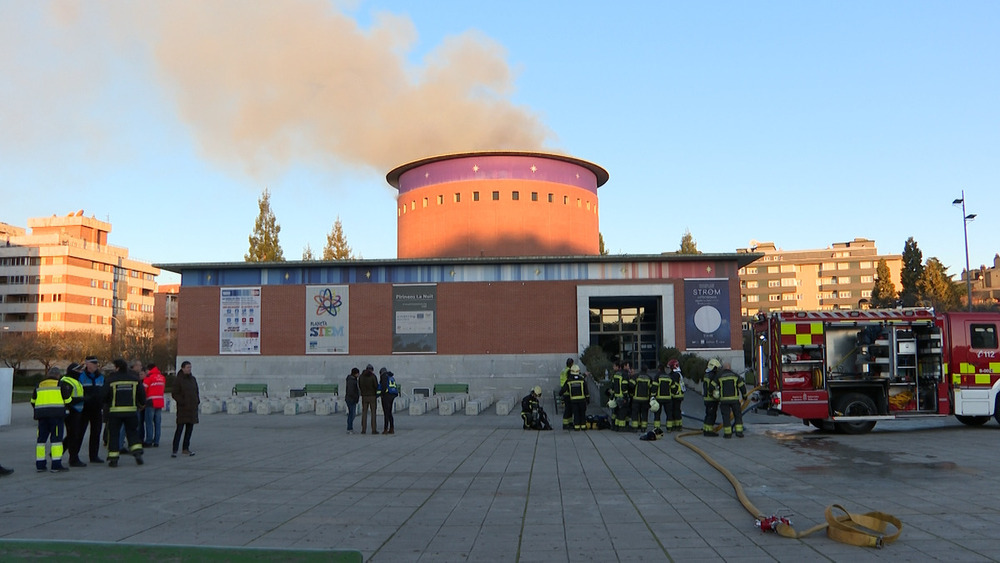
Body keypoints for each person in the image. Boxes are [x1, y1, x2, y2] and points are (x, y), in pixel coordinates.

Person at [103, 359, 145, 467]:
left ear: (117, 367)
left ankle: (113, 459)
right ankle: (137, 453)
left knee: (114, 435)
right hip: (131, 411)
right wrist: (141, 404)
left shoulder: (111, 380)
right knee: (132, 432)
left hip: (115, 412)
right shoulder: (135, 379)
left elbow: (104, 395)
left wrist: (107, 404)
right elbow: (141, 395)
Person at [31, 367, 72, 472]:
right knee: (56, 441)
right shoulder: (60, 385)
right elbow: (68, 400)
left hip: (42, 416)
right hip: (56, 416)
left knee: (41, 440)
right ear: (58, 375)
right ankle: (56, 464)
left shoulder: (39, 385)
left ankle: (40, 464)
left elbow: (33, 401)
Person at [75, 356, 105, 464]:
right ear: (87, 364)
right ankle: (74, 456)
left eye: (96, 364)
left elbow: (104, 391)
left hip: (97, 409)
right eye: (93, 364)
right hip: (84, 409)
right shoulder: (81, 377)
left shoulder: (101, 377)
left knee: (96, 433)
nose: (96, 366)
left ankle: (94, 456)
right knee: (79, 433)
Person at [171, 361, 201, 457]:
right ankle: (174, 449)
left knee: (189, 430)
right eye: (187, 367)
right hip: (183, 409)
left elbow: (196, 391)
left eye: (190, 367)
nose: (189, 369)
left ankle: (185, 448)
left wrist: (197, 401)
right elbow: (175, 393)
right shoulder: (178, 380)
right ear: (183, 368)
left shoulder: (193, 379)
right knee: (179, 429)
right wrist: (182, 401)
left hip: (192, 408)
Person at [60, 363, 87, 467]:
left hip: (77, 411)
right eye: (79, 370)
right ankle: (73, 459)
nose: (81, 372)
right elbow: (66, 399)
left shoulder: (75, 380)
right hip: (70, 412)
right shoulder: (66, 381)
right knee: (74, 435)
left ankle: (59, 453)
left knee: (73, 435)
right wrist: (82, 399)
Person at [718, 362, 748, 439]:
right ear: (730, 368)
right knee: (737, 415)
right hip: (734, 400)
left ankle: (727, 434)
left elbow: (712, 386)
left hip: (724, 401)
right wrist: (745, 397)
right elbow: (742, 387)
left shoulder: (719, 376)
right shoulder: (735, 375)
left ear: (723, 368)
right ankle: (739, 432)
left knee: (726, 416)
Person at [142, 363, 166, 447]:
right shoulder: (162, 377)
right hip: (160, 401)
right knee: (157, 423)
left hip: (150, 402)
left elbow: (143, 391)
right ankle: (156, 441)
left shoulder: (148, 378)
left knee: (149, 422)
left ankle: (149, 441)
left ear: (148, 369)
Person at [561, 365, 589, 431]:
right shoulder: (582, 380)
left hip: (573, 401)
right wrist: (587, 398)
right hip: (582, 400)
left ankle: (576, 427)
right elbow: (586, 390)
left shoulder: (569, 381)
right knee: (582, 413)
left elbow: (564, 389)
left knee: (576, 413)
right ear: (578, 371)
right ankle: (583, 426)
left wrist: (560, 394)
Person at [629, 363, 653, 432]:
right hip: (645, 399)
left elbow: (631, 385)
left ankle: (635, 428)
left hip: (636, 399)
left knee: (635, 413)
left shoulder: (636, 376)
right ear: (646, 370)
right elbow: (652, 388)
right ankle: (643, 428)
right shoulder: (649, 378)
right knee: (644, 413)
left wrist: (632, 393)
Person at [664, 359, 686, 432]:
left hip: (676, 395)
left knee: (675, 411)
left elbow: (674, 386)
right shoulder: (678, 374)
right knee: (676, 411)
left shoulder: (675, 375)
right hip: (679, 395)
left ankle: (677, 426)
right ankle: (677, 425)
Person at [702, 359, 722, 437]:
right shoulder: (712, 375)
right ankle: (708, 431)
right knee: (711, 415)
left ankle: (706, 429)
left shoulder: (707, 374)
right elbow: (711, 387)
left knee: (708, 414)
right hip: (711, 399)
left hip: (707, 399)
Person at [358, 364, 380, 435]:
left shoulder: (361, 377)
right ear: (372, 370)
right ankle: (373, 429)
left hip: (364, 396)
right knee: (373, 413)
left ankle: (363, 429)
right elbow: (376, 386)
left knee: (364, 413)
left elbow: (359, 385)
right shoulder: (373, 376)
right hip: (372, 396)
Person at [651, 363, 671, 432]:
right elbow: (673, 387)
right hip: (668, 398)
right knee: (668, 413)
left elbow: (654, 387)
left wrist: (652, 395)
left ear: (659, 369)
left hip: (659, 398)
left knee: (657, 414)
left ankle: (657, 428)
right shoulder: (668, 376)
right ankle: (669, 428)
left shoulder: (657, 376)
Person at [379, 367, 399, 434]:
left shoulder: (384, 377)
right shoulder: (390, 376)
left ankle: (385, 429)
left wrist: (381, 394)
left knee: (386, 413)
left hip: (386, 396)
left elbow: (384, 386)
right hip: (392, 395)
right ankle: (392, 428)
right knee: (390, 412)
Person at [558, 358, 575, 430]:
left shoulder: (563, 370)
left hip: (564, 390)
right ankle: (565, 424)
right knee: (568, 409)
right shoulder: (569, 371)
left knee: (569, 408)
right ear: (571, 364)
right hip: (567, 391)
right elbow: (571, 379)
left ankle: (570, 423)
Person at [344, 368, 360, 434]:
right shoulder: (351, 380)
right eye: (358, 373)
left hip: (350, 398)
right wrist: (355, 397)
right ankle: (349, 428)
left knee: (352, 414)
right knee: (352, 414)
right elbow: (351, 391)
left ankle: (350, 427)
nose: (358, 374)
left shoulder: (352, 379)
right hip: (351, 399)